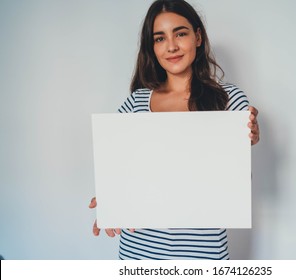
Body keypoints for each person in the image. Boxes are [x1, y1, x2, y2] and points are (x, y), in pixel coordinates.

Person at [89, 0, 260, 260]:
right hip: (140, 252)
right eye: (160, 38)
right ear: (152, 47)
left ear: (198, 37)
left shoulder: (229, 100)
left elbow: (236, 186)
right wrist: (110, 200)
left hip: (204, 254)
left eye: (180, 33)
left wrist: (247, 139)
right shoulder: (136, 103)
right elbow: (119, 171)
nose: (171, 46)